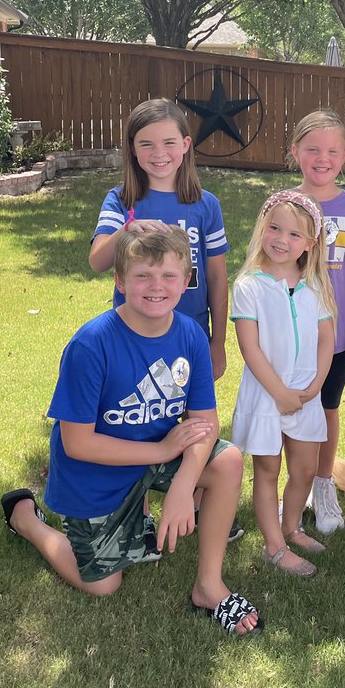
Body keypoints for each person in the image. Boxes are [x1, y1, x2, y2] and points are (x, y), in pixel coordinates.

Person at [0, 228, 261, 637]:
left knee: (226, 459)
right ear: (120, 281)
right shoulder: (91, 345)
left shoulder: (190, 334)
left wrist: (183, 486)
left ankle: (209, 587)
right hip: (96, 473)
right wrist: (162, 453)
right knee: (103, 584)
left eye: (169, 276)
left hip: (154, 453)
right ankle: (26, 520)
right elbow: (77, 443)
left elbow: (205, 424)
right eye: (143, 276)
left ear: (186, 281)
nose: (157, 287)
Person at [89, 98, 241, 544]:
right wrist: (125, 230)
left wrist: (217, 341)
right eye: (147, 144)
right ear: (132, 149)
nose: (159, 153)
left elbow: (217, 275)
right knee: (141, 413)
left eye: (170, 142)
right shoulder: (122, 201)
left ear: (187, 145)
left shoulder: (204, 204)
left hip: (190, 337)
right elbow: (97, 259)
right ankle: (135, 507)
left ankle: (200, 500)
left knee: (194, 419)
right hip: (136, 337)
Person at [230, 190, 336, 577]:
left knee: (305, 469)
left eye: (294, 235)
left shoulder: (316, 286)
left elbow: (326, 340)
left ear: (310, 244)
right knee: (268, 470)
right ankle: (274, 546)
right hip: (265, 394)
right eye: (274, 228)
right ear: (262, 228)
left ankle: (292, 527)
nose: (281, 240)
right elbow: (249, 347)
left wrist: (315, 386)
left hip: (306, 394)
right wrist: (279, 393)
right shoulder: (249, 285)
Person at [288, 109, 345, 534]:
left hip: (340, 338)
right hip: (290, 335)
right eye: (312, 149)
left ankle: (323, 484)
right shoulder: (284, 206)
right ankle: (296, 484)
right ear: (295, 153)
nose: (321, 159)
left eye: (331, 151)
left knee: (327, 408)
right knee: (291, 409)